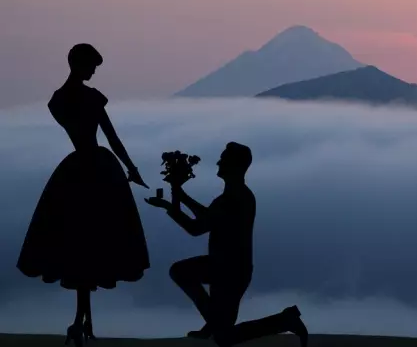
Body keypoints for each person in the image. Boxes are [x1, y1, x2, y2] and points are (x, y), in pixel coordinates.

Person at [17, 43, 151, 346]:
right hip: (98, 171)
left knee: (79, 244)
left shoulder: (58, 101)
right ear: (79, 64)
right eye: (91, 66)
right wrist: (132, 168)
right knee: (91, 242)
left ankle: (82, 320)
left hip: (76, 170)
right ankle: (82, 321)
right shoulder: (90, 98)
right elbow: (111, 137)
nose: (94, 72)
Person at [146, 142, 308, 347]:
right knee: (225, 336)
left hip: (227, 270)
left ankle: (215, 323)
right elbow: (207, 216)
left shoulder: (233, 198)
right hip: (231, 270)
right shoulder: (237, 196)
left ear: (234, 165)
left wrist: (172, 204)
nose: (218, 162)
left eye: (223, 159)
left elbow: (197, 227)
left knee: (179, 272)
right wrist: (178, 197)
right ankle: (283, 320)